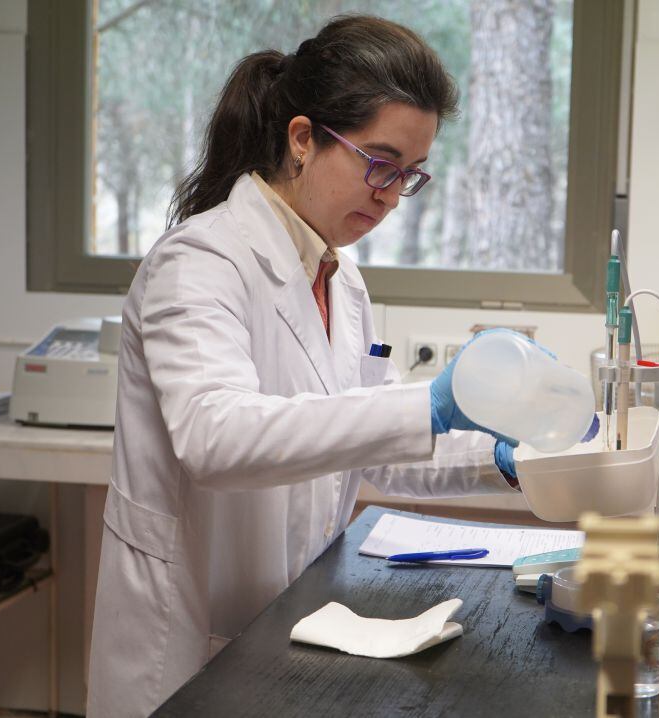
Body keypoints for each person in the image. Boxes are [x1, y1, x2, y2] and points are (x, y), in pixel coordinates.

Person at [86, 15, 545, 716]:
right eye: (380, 163)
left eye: (410, 174)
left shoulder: (341, 279)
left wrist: (502, 457)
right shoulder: (201, 263)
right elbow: (216, 437)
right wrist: (425, 406)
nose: (391, 194)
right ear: (303, 139)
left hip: (294, 621)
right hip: (187, 639)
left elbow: (367, 452)